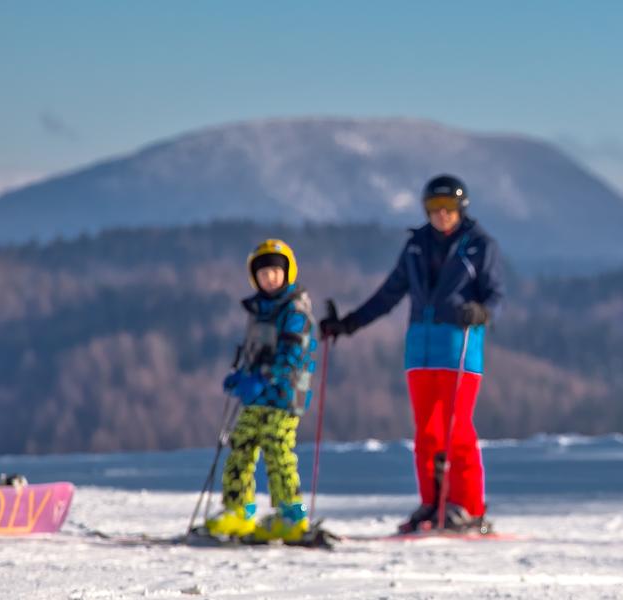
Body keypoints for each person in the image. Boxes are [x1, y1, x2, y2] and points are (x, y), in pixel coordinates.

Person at [319, 174, 503, 533]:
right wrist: (349, 324)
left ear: (460, 209)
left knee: (457, 429)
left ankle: (467, 506)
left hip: (458, 347)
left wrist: (482, 312)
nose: (441, 215)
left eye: (448, 208)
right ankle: (432, 503)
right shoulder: (416, 246)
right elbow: (389, 294)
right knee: (427, 432)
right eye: (433, 208)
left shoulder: (480, 245)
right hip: (420, 349)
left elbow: (496, 295)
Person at [204, 239, 319, 542]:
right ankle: (238, 508)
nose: (270, 279)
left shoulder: (295, 309)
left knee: (277, 449)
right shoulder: (259, 311)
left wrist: (263, 377)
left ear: (288, 274)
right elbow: (257, 351)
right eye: (263, 274)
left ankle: (290, 513)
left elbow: (292, 355)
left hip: (283, 396)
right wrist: (241, 375)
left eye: (275, 273)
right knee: (240, 444)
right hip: (257, 397)